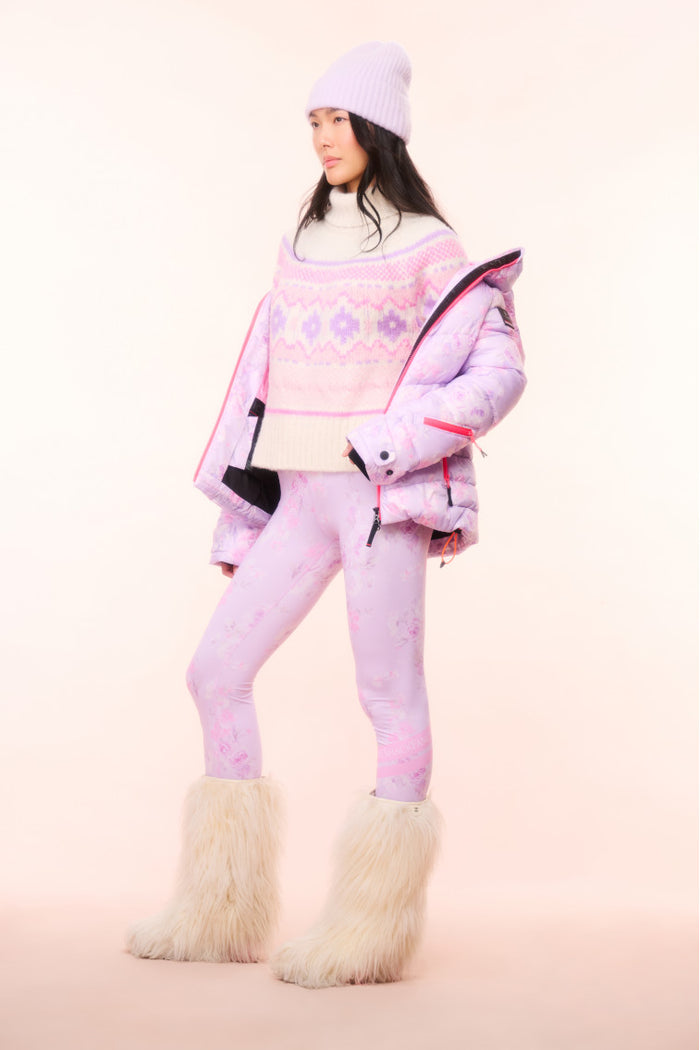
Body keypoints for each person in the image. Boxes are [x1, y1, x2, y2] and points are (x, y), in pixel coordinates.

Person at [125, 40, 526, 988]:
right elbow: (260, 385)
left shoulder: (429, 245)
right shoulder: (300, 241)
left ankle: (369, 931)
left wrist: (390, 441)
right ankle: (220, 909)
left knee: (388, 697)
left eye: (339, 118)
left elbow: (500, 371)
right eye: (314, 120)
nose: (323, 136)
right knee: (215, 671)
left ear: (380, 126)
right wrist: (243, 518)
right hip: (298, 500)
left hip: (382, 500)